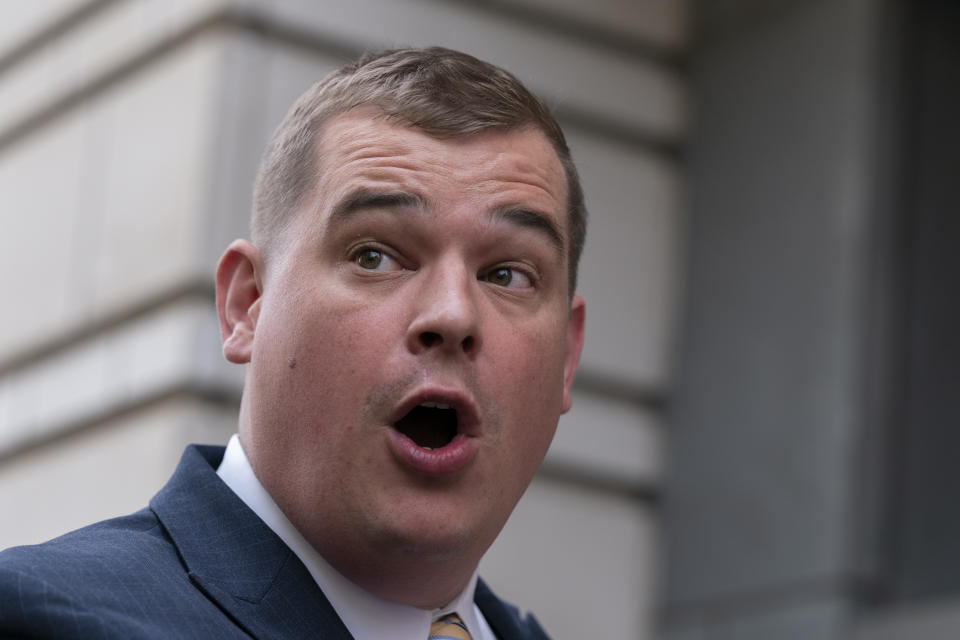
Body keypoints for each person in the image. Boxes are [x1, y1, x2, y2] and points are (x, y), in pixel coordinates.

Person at [0, 46, 586, 639]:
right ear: (246, 304)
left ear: (567, 354)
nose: (453, 314)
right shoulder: (42, 620)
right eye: (375, 256)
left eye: (507, 274)